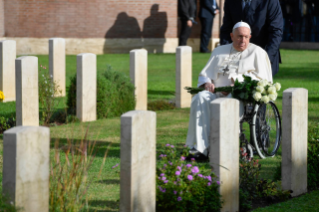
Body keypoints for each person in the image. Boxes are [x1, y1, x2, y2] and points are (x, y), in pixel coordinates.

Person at [185, 22, 273, 160]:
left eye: (245, 37)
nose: (242, 40)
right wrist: (207, 83)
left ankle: (225, 148)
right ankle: (201, 149)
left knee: (229, 102)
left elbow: (263, 80)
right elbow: (205, 74)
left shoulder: (258, 53)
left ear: (250, 36)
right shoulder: (219, 51)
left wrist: (238, 82)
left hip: (241, 98)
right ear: (232, 36)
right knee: (200, 98)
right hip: (216, 94)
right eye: (239, 37)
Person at [220, 0, 283, 76]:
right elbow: (226, 30)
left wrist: (267, 58)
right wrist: (226, 54)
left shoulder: (270, 1)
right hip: (237, 56)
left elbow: (276, 31)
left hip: (263, 52)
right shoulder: (230, 1)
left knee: (259, 86)